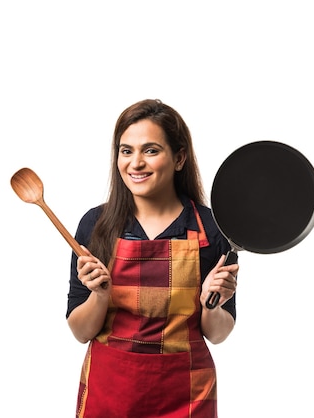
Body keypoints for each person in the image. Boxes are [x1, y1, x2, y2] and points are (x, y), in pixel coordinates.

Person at [66, 99, 239, 418]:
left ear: (179, 158)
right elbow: (80, 331)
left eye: (151, 150)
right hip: (110, 394)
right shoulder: (95, 226)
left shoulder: (211, 229)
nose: (135, 164)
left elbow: (218, 333)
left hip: (186, 395)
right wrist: (99, 295)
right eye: (126, 150)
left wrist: (210, 304)